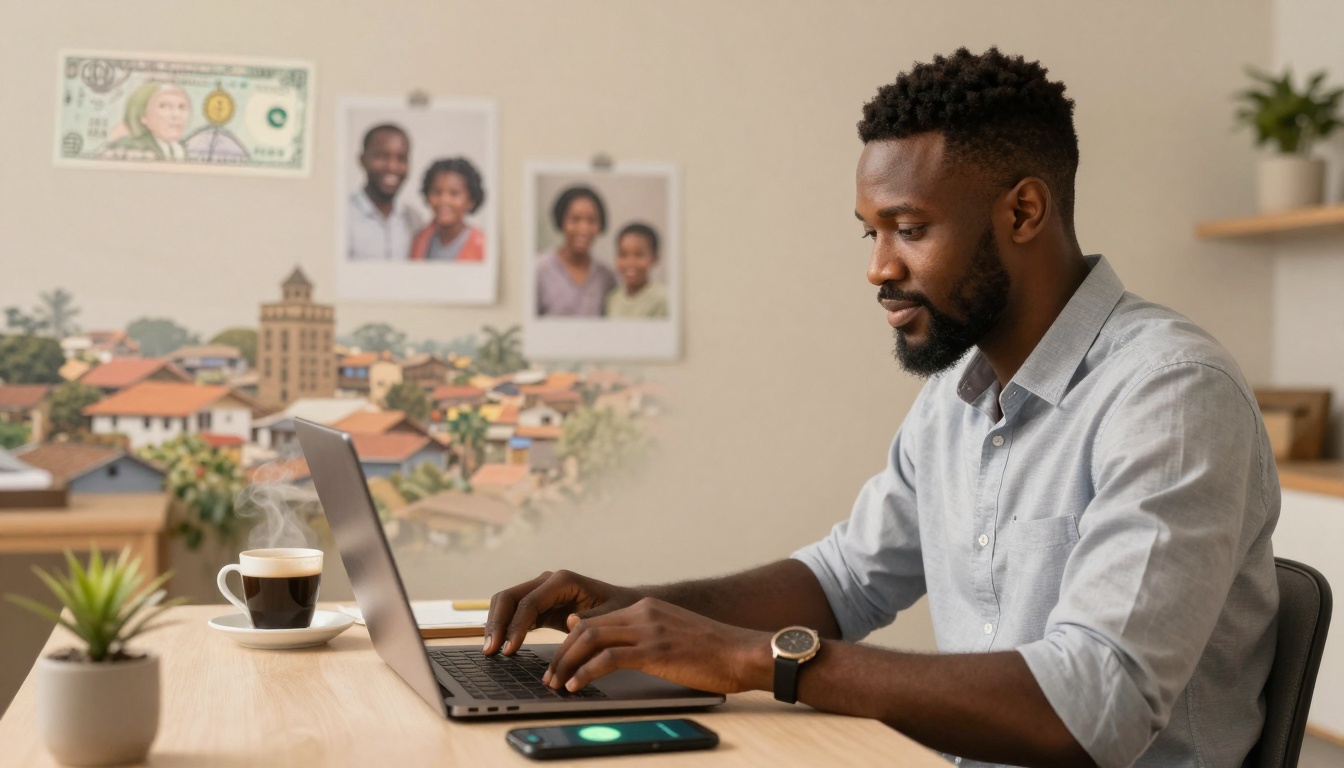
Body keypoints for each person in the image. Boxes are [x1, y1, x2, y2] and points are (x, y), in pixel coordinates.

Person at [485, 47, 1279, 768]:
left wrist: (761, 659)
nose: (878, 268)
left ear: (1024, 212)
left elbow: (1094, 705)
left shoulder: (1170, 394)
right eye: (869, 232)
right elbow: (842, 581)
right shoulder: (956, 397)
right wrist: (635, 612)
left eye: (909, 229)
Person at [535, 185, 617, 317]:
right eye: (575, 220)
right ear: (561, 221)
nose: (584, 228)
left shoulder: (607, 276)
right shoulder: (538, 269)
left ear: (600, 225)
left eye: (591, 221)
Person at [348, 124, 424, 262]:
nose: (392, 167)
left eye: (401, 159)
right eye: (382, 157)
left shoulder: (414, 220)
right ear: (362, 160)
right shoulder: (342, 216)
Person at [409, 157, 486, 262]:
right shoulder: (420, 241)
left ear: (470, 200)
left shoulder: (482, 245)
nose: (444, 200)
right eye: (437, 192)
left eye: (454, 194)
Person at [98, 82, 190, 161]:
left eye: (182, 107)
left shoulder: (181, 149)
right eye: (164, 106)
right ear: (143, 116)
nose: (176, 115)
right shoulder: (128, 147)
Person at [604, 222, 668, 319]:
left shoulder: (664, 299)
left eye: (639, 255)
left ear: (654, 258)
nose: (630, 262)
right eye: (623, 254)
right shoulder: (612, 299)